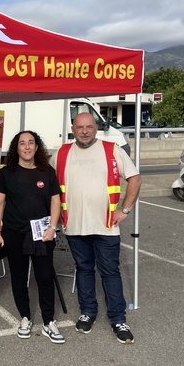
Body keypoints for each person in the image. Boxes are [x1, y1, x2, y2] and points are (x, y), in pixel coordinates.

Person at [52, 112, 141, 344]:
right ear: (73, 128)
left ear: (96, 128)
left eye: (89, 127)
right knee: (83, 270)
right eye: (80, 127)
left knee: (110, 272)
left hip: (106, 226)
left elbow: (135, 178)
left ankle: (118, 318)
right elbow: (49, 188)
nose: (84, 131)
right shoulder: (61, 153)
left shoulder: (112, 150)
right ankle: (88, 312)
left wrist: (126, 209)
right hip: (75, 226)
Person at [0, 131, 64, 343]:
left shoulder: (47, 171)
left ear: (37, 147)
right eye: (22, 143)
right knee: (19, 278)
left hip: (42, 233)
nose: (27, 147)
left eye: (31, 143)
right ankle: (25, 317)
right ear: (16, 148)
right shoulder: (7, 173)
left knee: (44, 277)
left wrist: (52, 227)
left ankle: (49, 322)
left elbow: (55, 202)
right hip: (14, 233)